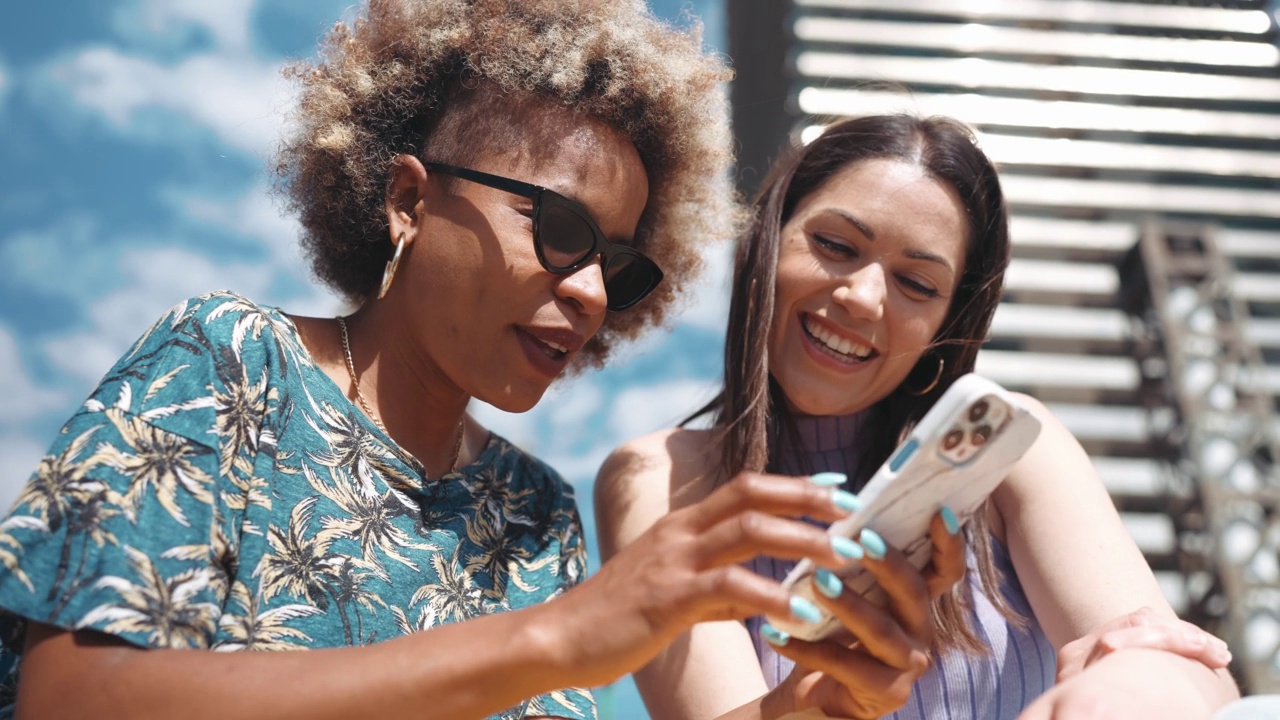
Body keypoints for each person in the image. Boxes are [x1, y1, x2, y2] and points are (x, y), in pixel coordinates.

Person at [0, 3, 884, 718]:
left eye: (617, 264)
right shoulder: (230, 359)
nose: (591, 295)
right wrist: (557, 638)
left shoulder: (533, 510)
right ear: (407, 200)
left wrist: (797, 711)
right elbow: (74, 698)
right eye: (561, 229)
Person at [595, 114, 1242, 720]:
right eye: (835, 244)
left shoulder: (1011, 443)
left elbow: (1189, 668)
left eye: (918, 285)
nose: (864, 297)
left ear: (946, 326)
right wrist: (810, 704)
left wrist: (1128, 681)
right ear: (768, 241)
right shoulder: (658, 476)